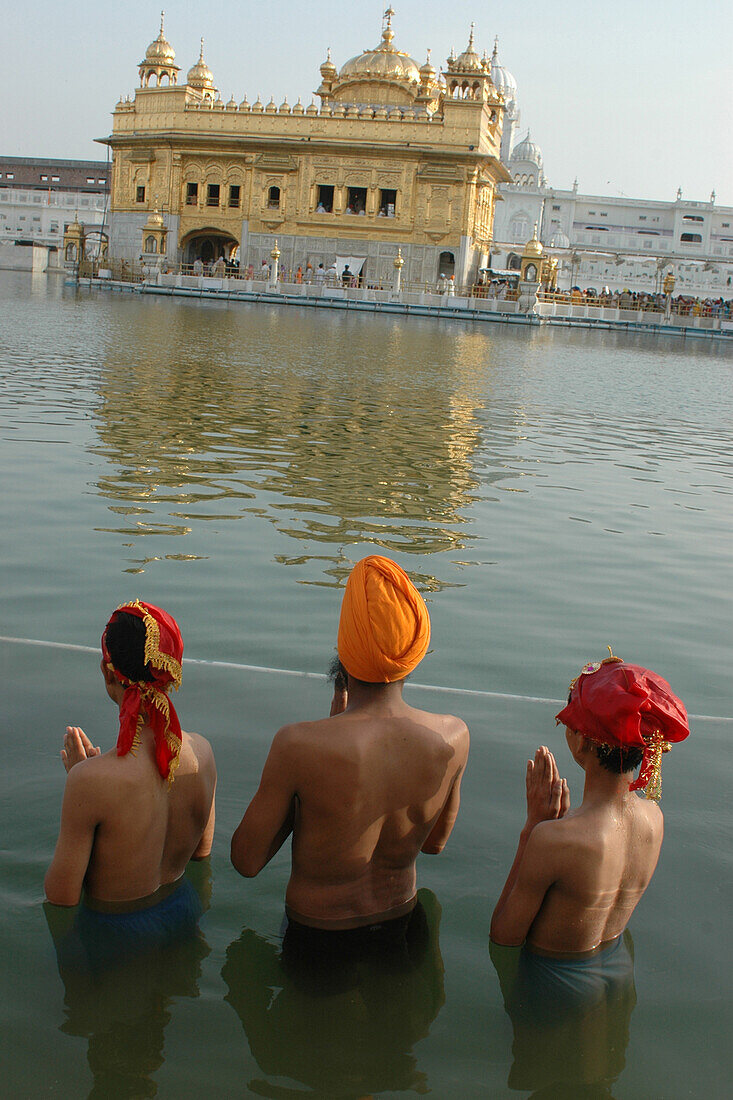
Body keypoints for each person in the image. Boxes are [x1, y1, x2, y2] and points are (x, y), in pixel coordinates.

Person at [231, 555, 470, 943]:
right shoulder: (454, 737)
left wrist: (305, 786)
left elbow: (246, 861)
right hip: (404, 924)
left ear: (346, 647)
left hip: (321, 936)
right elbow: (434, 844)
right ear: (416, 648)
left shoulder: (299, 746)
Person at [491, 651, 689, 954]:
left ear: (582, 740)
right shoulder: (654, 818)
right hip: (617, 967)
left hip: (557, 984)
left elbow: (504, 937)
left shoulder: (553, 839)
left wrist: (532, 828)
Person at [45, 600, 217, 936]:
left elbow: (61, 897)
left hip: (116, 933)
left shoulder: (89, 780)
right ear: (173, 671)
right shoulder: (204, 753)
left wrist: (84, 782)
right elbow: (202, 854)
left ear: (107, 671)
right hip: (183, 911)